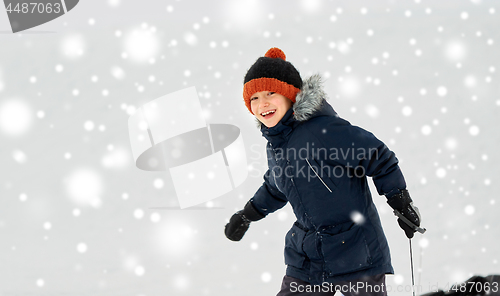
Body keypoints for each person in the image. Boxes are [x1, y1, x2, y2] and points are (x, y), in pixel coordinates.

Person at [224, 47, 422, 296]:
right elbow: (275, 187)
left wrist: (399, 200)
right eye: (254, 98)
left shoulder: (323, 130)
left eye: (270, 93)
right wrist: (247, 215)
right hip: (308, 255)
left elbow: (376, 155)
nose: (262, 104)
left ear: (290, 94)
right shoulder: (275, 146)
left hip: (355, 250)